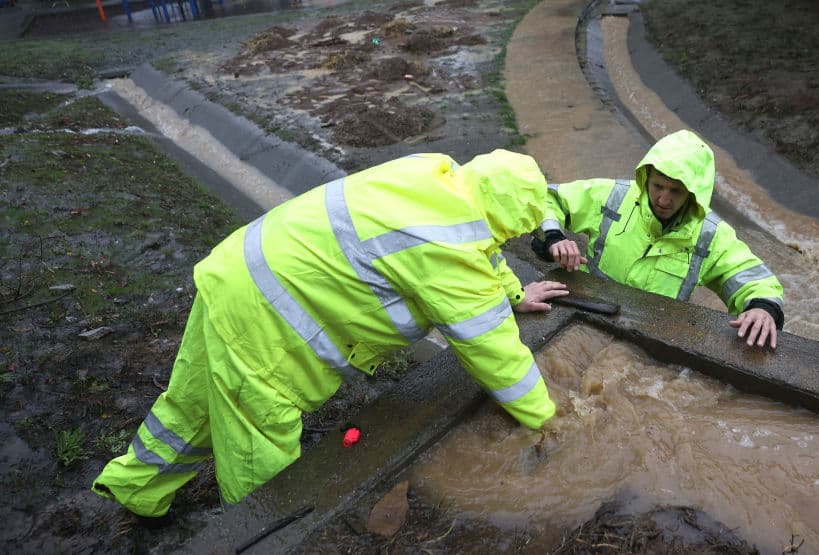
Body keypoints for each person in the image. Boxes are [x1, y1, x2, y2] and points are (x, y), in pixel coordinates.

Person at [93, 149, 569, 519]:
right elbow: (498, 356)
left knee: (195, 403)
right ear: (506, 220)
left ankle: (137, 489)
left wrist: (511, 292)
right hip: (266, 326)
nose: (503, 242)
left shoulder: (437, 179)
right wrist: (549, 421)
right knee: (262, 448)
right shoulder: (450, 251)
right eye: (510, 232)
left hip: (237, 273)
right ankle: (268, 534)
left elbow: (476, 248)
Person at [533, 130, 785, 349]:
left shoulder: (711, 235)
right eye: (657, 186)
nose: (663, 200)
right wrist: (554, 237)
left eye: (675, 191)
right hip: (587, 315)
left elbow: (753, 279)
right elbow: (546, 199)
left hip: (654, 341)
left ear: (693, 192)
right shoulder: (612, 195)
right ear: (646, 177)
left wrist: (763, 308)